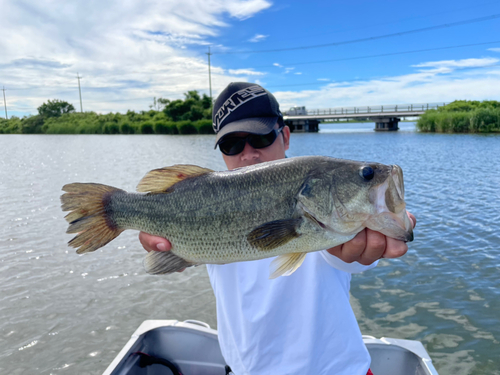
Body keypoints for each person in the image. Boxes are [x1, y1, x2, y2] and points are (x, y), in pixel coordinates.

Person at [139, 82, 416, 375]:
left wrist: (368, 245)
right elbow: (173, 250)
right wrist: (161, 241)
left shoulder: (333, 227)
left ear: (284, 136)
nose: (247, 154)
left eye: (260, 138)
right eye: (231, 144)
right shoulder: (206, 197)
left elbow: (345, 256)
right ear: (221, 151)